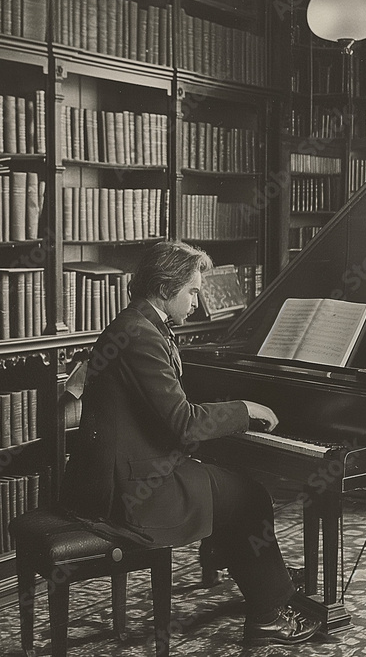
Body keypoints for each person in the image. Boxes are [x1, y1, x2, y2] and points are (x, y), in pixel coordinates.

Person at [61, 240, 321, 646]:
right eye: (193, 292)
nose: (198, 304)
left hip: (118, 473)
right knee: (248, 496)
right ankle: (270, 613)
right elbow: (183, 423)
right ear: (166, 287)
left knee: (232, 487)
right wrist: (245, 408)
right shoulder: (141, 334)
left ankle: (264, 583)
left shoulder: (137, 324)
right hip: (131, 491)